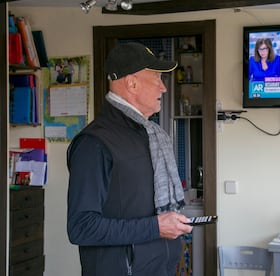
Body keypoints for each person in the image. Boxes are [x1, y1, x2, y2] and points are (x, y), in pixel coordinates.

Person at [66, 42, 193, 276]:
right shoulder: (94, 144)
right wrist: (156, 227)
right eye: (157, 78)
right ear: (132, 83)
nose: (163, 89)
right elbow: (81, 228)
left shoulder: (151, 136)